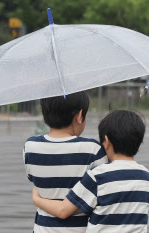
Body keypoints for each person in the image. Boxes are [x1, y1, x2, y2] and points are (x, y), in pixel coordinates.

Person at [32, 110, 149, 233]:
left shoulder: (98, 176)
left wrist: (37, 199)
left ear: (106, 141)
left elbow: (63, 211)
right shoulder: (146, 177)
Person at [23, 91, 108, 233]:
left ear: (44, 115)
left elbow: (34, 181)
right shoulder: (93, 150)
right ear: (80, 116)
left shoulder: (30, 147)